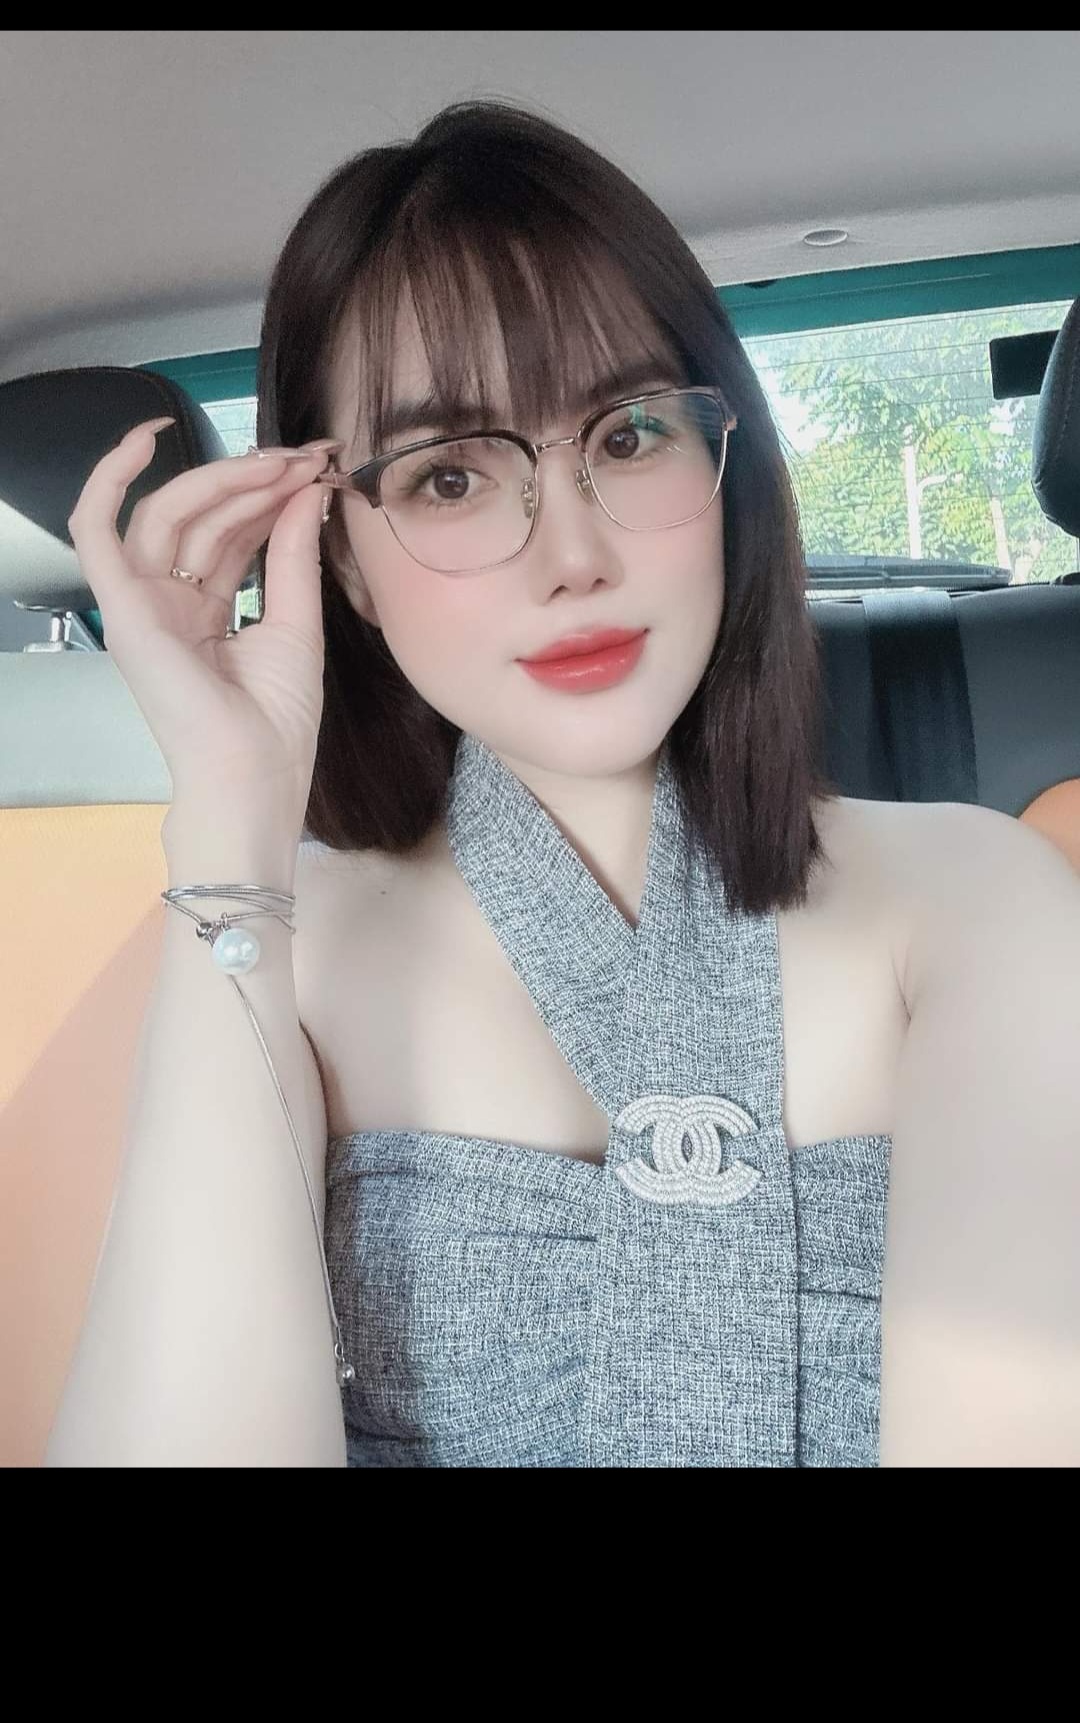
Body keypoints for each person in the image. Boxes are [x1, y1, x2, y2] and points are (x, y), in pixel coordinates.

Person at [47, 101, 1080, 1468]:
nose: (573, 557)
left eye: (629, 434)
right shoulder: (260, 939)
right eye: (450, 476)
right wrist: (232, 817)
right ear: (338, 557)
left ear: (727, 463)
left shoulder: (978, 895)